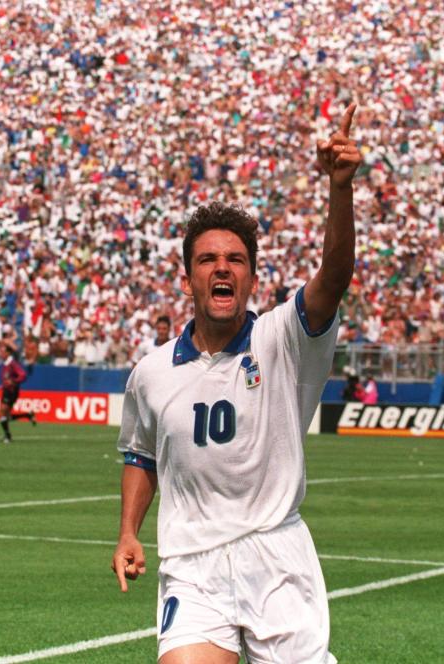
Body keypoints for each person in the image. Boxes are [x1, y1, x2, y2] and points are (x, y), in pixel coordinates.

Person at [112, 102, 360, 664]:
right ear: (188, 276)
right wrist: (128, 532)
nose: (221, 268)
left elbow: (335, 277)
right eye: (207, 260)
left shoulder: (284, 341)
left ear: (251, 275)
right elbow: (139, 455)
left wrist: (339, 190)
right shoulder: (151, 373)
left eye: (235, 259)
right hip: (192, 567)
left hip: (276, 561)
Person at [0, 342, 35, 444]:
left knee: (2, 413)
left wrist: (13, 382)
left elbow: (22, 375)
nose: (0, 353)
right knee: (5, 415)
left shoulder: (12, 364)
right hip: (7, 390)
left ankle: (8, 436)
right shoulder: (6, 364)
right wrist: (4, 385)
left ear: (8, 353)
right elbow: (7, 377)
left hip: (11, 391)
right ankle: (27, 415)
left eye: (2, 352)